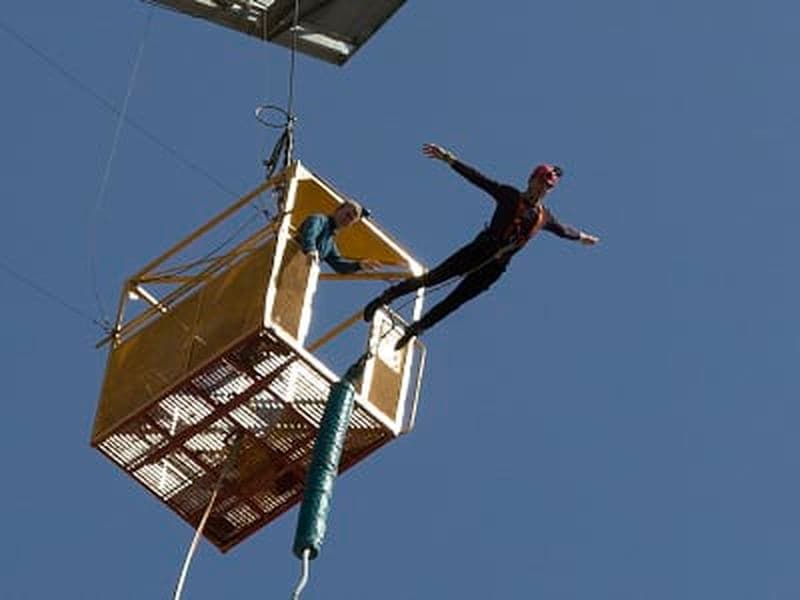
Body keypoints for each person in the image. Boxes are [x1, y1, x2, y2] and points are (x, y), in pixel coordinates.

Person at [363, 143, 599, 350]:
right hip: (479, 249)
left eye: (547, 187)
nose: (542, 188)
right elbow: (479, 179)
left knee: (456, 300)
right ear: (531, 179)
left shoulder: (544, 217)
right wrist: (450, 160)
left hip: (495, 268)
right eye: (540, 182)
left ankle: (417, 328)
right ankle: (385, 298)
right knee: (433, 279)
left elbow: (563, 230)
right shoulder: (509, 195)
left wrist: (582, 236)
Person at [298, 201, 380, 273]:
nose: (347, 220)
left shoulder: (329, 243)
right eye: (347, 214)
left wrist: (359, 265)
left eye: (351, 219)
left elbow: (339, 265)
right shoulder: (319, 220)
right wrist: (310, 249)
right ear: (338, 210)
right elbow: (309, 235)